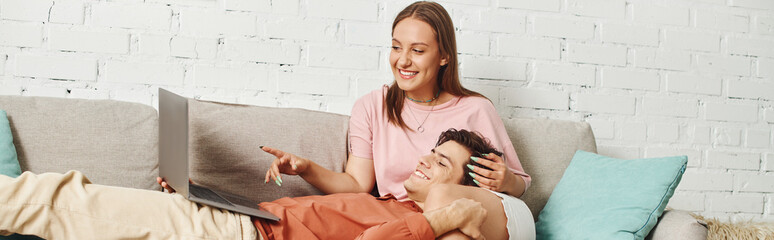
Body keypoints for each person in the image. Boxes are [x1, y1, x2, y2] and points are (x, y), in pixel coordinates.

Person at [261, 1, 533, 239]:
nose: (402, 61)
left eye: (417, 50)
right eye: (396, 47)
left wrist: (507, 180)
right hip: (397, 223)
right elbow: (357, 185)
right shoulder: (372, 106)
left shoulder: (476, 109)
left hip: (452, 219)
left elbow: (517, 185)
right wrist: (306, 167)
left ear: (444, 56)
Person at [0, 129, 521, 240]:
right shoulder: (388, 200)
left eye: (443, 165)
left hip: (244, 236)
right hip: (244, 223)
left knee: (64, 197)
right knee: (75, 205)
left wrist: (442, 215)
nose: (428, 163)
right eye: (430, 153)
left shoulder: (418, 225)